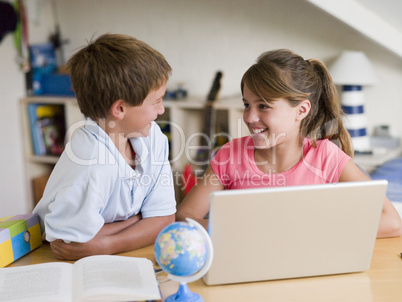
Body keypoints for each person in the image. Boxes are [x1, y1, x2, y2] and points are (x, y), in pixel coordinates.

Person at [176, 49, 402, 238]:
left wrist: (305, 231)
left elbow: (392, 222)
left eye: (263, 106)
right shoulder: (229, 156)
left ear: (301, 110)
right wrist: (237, 231)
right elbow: (184, 216)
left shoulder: (326, 157)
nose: (249, 117)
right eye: (247, 105)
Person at [33, 34, 176, 260]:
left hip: (114, 255)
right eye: (156, 101)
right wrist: (140, 219)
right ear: (119, 109)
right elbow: (71, 245)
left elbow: (164, 221)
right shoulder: (91, 162)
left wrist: (106, 243)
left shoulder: (155, 138)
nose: (162, 110)